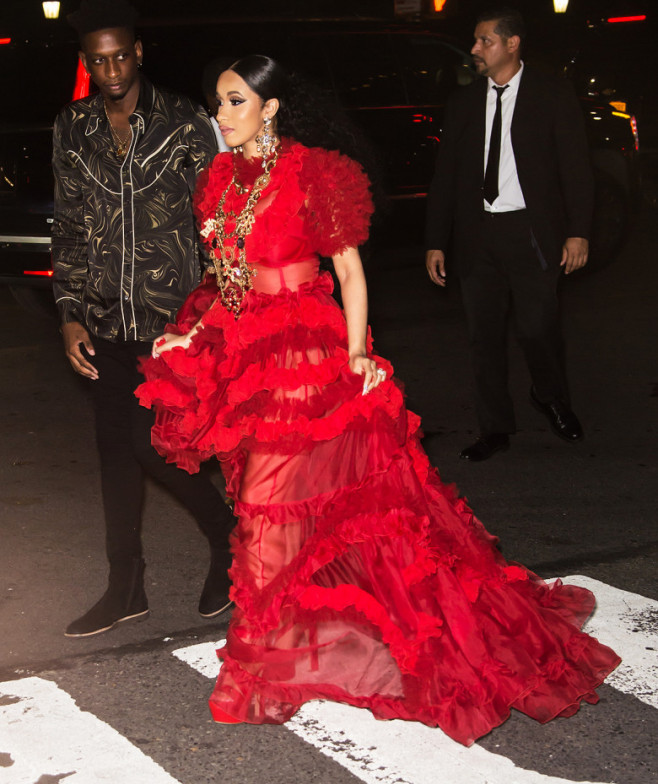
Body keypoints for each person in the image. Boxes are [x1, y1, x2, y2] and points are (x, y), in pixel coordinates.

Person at [136, 55, 619, 746]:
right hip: (252, 357)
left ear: (269, 109)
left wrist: (359, 352)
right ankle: (286, 646)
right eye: (219, 101)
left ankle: (265, 664)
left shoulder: (315, 173)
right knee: (267, 508)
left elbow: (350, 271)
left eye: (236, 101)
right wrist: (191, 337)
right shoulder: (219, 181)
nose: (222, 113)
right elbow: (228, 285)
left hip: (309, 356)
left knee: (299, 506)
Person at [52, 0, 234, 638]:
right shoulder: (72, 126)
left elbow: (216, 223)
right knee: (115, 455)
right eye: (99, 60)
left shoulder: (185, 121)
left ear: (138, 51)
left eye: (121, 56)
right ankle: (124, 587)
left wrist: (213, 314)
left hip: (171, 323)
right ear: (87, 61)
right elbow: (70, 227)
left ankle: (228, 541)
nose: (112, 69)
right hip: (104, 319)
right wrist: (70, 313)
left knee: (152, 447)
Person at [425, 7, 592, 462]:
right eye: (475, 42)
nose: (475, 49)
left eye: (484, 41)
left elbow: (575, 169)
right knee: (484, 337)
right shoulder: (463, 102)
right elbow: (446, 177)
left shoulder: (551, 94)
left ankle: (550, 395)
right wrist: (437, 239)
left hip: (530, 232)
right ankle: (494, 428)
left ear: (512, 43)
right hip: (478, 235)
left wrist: (578, 232)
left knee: (539, 329)